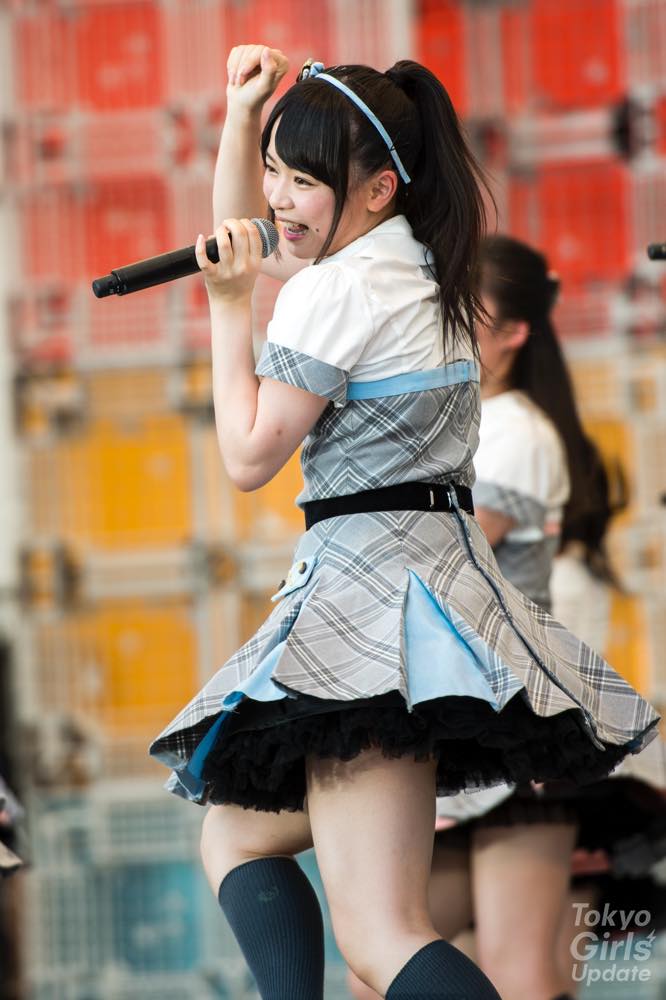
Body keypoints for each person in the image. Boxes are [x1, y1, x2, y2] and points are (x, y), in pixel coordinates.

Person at [149, 46, 658, 1000]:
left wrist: (228, 308)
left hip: (369, 613)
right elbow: (248, 239)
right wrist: (240, 116)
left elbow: (249, 456)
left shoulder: (335, 290)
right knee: (240, 835)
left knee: (382, 938)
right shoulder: (425, 269)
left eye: (303, 180)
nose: (279, 198)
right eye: (273, 170)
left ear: (378, 189)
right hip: (418, 602)